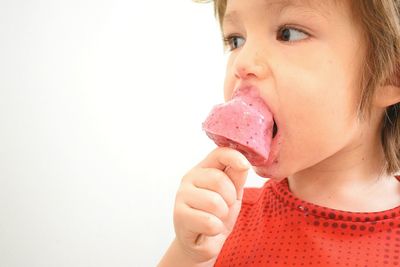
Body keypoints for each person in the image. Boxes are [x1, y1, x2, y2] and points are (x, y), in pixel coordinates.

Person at [158, 0, 400, 266]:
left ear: (391, 75)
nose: (243, 62)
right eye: (236, 40)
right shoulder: (223, 225)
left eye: (288, 34)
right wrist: (189, 254)